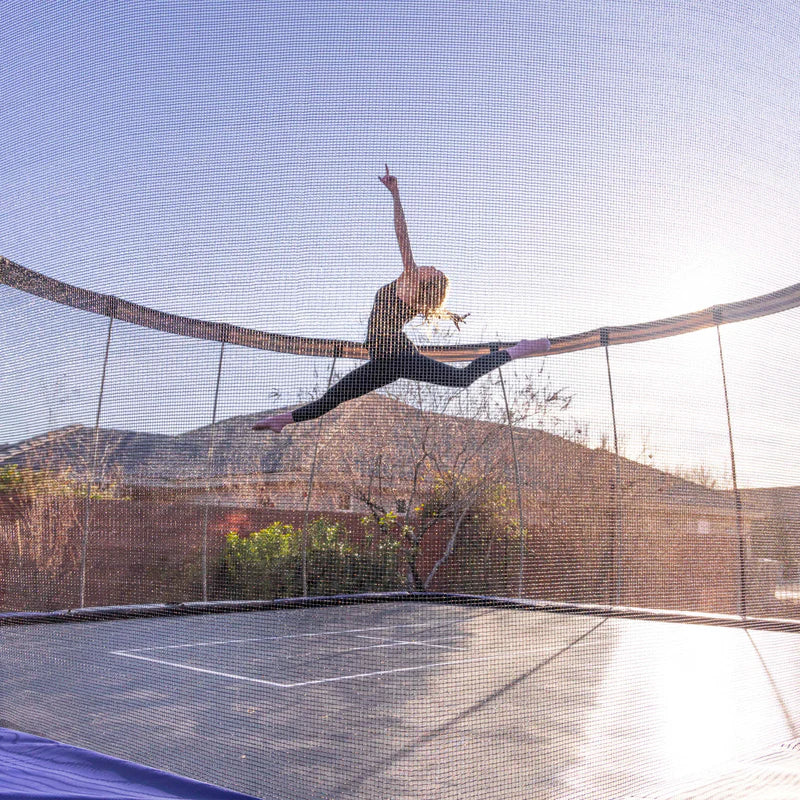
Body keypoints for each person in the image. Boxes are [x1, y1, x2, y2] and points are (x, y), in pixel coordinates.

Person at [253, 166, 549, 433]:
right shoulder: (410, 286)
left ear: (425, 282)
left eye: (433, 270)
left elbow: (402, 234)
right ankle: (284, 420)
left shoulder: (408, 281)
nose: (429, 265)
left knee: (461, 379)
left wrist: (395, 194)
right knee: (333, 397)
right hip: (385, 361)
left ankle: (518, 350)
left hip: (398, 357)